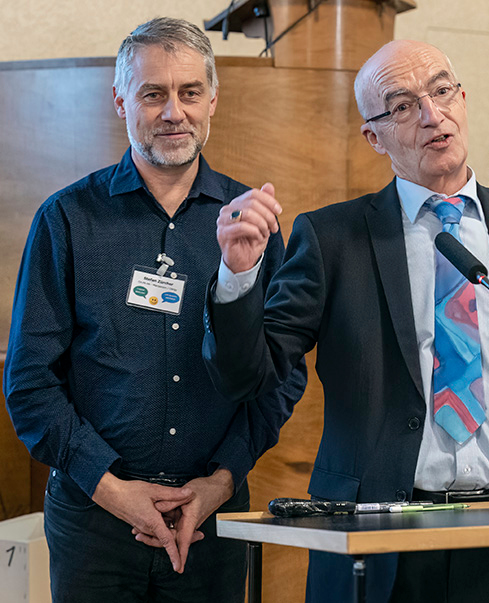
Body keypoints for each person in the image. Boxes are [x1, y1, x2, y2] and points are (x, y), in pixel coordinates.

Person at [203, 40, 489, 603]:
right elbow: (249, 376)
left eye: (442, 90)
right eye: (402, 105)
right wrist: (236, 277)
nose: (432, 114)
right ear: (373, 137)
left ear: (463, 98)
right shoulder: (333, 238)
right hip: (379, 532)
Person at [3, 17, 306, 603]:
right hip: (94, 520)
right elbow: (30, 383)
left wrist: (220, 482)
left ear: (212, 99)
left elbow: (280, 376)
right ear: (121, 101)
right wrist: (115, 489)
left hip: (212, 522)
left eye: (190, 93)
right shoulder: (66, 220)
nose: (174, 111)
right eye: (153, 94)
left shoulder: (251, 228)